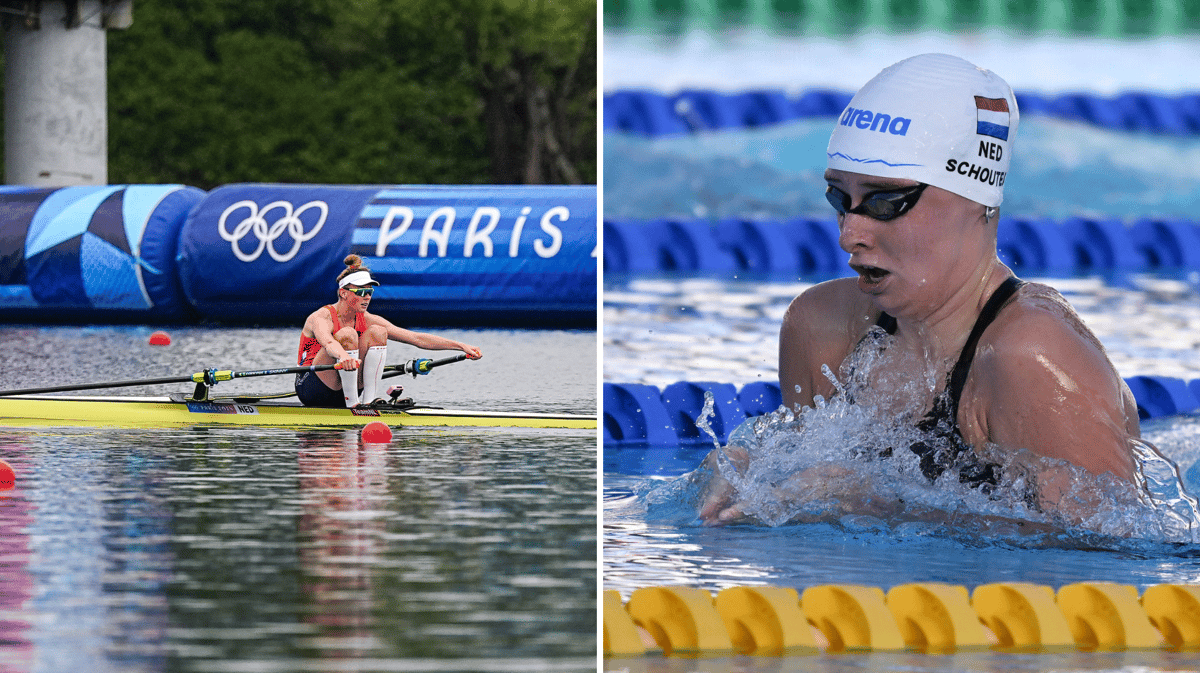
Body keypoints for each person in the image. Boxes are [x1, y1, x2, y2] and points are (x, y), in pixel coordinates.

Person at [699, 53, 1149, 525]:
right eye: (839, 198)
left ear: (977, 199)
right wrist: (753, 474)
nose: (849, 233)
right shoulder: (821, 327)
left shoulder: (1032, 358)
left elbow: (1112, 554)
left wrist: (886, 508)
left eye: (886, 201)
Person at [296, 254, 483, 408]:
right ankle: (353, 406)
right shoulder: (321, 317)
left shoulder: (367, 319)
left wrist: (461, 346)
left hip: (347, 385)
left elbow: (417, 338)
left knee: (378, 331)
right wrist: (343, 356)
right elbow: (328, 343)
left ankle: (369, 401)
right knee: (347, 334)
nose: (367, 297)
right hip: (314, 388)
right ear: (344, 293)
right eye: (361, 292)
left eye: (370, 292)